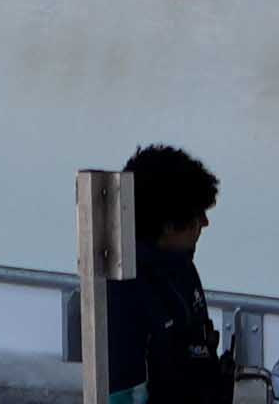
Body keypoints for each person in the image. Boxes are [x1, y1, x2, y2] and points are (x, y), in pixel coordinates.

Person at [97, 152, 236, 404]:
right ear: (169, 225)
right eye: (197, 214)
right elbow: (121, 393)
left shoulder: (180, 269)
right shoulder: (124, 290)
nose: (205, 223)